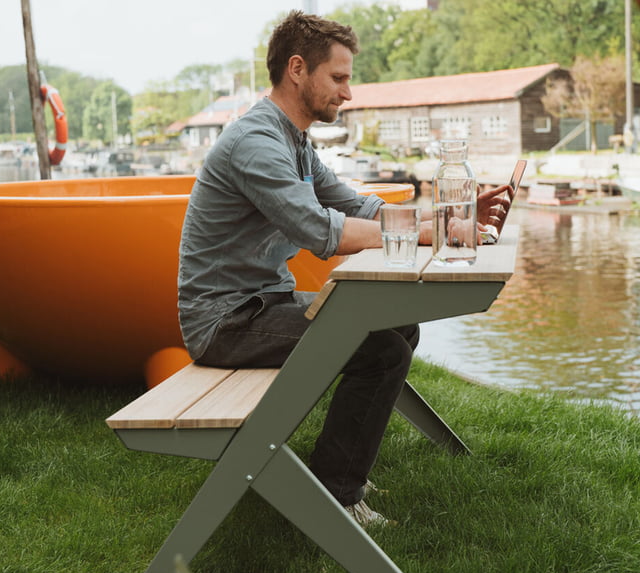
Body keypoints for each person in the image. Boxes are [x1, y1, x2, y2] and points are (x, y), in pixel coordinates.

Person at [179, 11, 509, 527]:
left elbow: (359, 207)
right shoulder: (256, 143)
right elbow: (321, 231)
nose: (348, 93)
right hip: (225, 320)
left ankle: (342, 467)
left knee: (394, 322)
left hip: (264, 303)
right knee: (379, 351)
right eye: (338, 78)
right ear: (296, 69)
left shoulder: (293, 140)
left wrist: (448, 218)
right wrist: (439, 233)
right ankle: (337, 498)